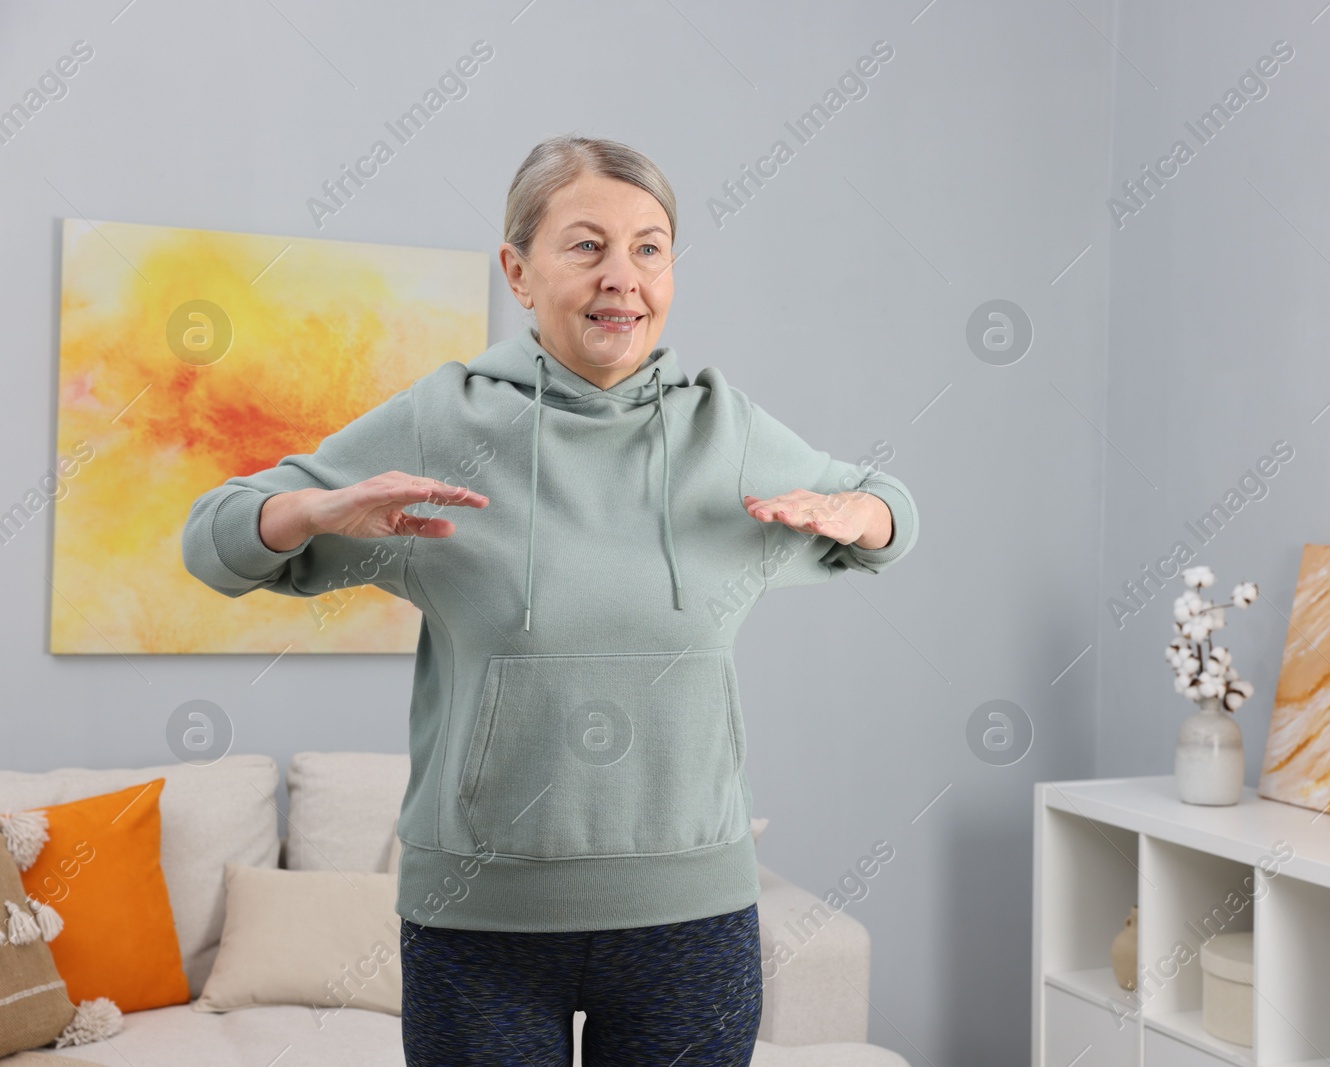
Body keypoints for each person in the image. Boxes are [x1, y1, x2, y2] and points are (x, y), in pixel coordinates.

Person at [181, 133, 920, 1066]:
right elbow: (214, 537)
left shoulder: (722, 428)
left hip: (690, 927)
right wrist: (313, 506)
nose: (623, 276)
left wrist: (859, 513)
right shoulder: (444, 421)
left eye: (649, 248)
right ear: (518, 271)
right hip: (477, 927)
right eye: (587, 245)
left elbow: (893, 511)